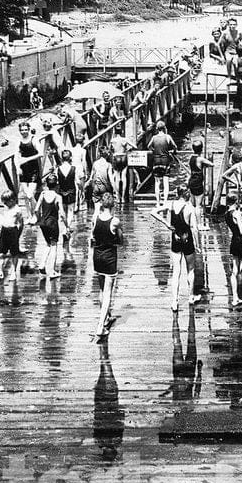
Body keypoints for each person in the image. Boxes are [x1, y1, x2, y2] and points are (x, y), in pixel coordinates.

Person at [151, 184, 202, 312]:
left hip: (175, 239)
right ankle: (191, 297)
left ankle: (174, 301)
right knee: (191, 269)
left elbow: (153, 211)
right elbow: (194, 229)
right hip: (187, 239)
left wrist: (167, 224)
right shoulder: (190, 208)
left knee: (176, 272)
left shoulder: (171, 204)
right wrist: (198, 245)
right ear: (187, 194)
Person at [91, 192, 123, 339]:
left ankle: (106, 317)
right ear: (113, 206)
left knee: (102, 289)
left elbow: (93, 235)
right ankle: (100, 325)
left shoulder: (95, 218)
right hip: (109, 257)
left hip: (97, 256)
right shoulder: (115, 221)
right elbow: (121, 241)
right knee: (108, 292)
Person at [35, 174, 63, 302]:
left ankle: (42, 264)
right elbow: (61, 214)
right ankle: (51, 271)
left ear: (46, 184)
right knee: (54, 246)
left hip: (43, 222)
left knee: (47, 244)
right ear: (56, 185)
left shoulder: (42, 195)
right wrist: (67, 226)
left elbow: (36, 209)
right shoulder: (58, 197)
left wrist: (38, 218)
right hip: (53, 223)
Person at [0, 190, 24, 305]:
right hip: (4, 230)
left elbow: (21, 223)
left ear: (13, 200)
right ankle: (0, 271)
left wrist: (18, 234)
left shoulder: (17, 210)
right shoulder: (6, 208)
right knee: (0, 252)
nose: (5, 204)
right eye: (4, 202)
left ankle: (14, 271)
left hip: (13, 231)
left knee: (14, 253)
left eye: (6, 202)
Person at [147, 121, 178, 209]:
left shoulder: (154, 137)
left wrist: (154, 151)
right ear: (164, 128)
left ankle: (157, 203)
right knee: (165, 183)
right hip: (165, 160)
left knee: (157, 183)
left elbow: (149, 146)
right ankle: (164, 203)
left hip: (156, 161)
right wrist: (173, 151)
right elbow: (175, 146)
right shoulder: (167, 137)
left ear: (157, 128)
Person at [15, 121, 42, 219]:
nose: (24, 132)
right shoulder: (18, 141)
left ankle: (36, 214)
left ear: (29, 130)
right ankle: (29, 216)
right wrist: (17, 168)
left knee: (30, 194)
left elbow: (41, 153)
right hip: (23, 170)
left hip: (33, 169)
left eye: (26, 130)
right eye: (22, 130)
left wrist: (27, 159)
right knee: (26, 195)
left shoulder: (34, 139)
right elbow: (16, 156)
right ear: (19, 131)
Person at [187, 139, 215, 229]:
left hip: (191, 182)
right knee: (198, 206)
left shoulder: (191, 158)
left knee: (193, 204)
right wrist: (204, 163)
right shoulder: (200, 159)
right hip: (198, 183)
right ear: (201, 149)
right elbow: (212, 164)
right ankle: (199, 225)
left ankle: (192, 222)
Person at [109, 122, 134, 205]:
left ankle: (118, 197)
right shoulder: (125, 139)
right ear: (122, 131)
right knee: (123, 177)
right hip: (123, 157)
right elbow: (135, 146)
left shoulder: (112, 140)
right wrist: (127, 149)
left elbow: (110, 149)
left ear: (115, 132)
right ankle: (123, 198)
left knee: (117, 177)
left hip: (116, 157)